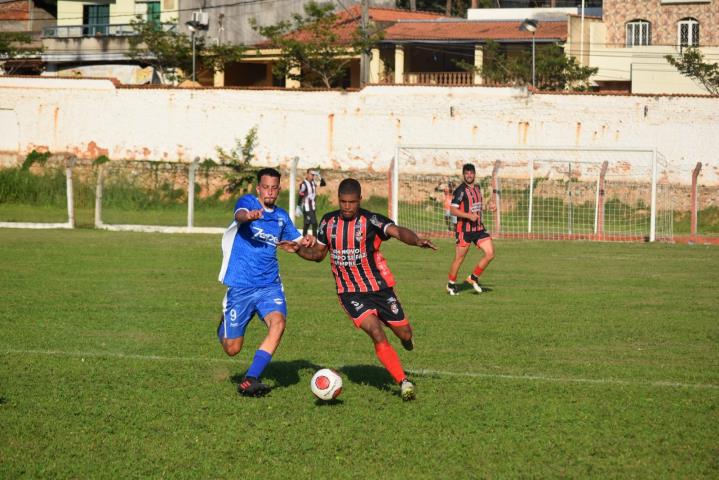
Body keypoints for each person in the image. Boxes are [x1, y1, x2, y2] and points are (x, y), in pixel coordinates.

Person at [283, 178, 436, 401]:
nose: (347, 207)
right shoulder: (328, 222)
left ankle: (405, 338)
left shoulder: (370, 220)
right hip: (350, 293)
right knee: (376, 331)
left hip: (379, 289)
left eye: (352, 202)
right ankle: (403, 382)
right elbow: (318, 254)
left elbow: (396, 231)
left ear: (359, 200)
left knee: (405, 333)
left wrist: (416, 240)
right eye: (343, 202)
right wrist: (297, 249)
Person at [217, 167, 313, 397]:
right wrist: (248, 216)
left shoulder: (281, 218)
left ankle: (250, 379)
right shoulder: (249, 202)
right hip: (241, 286)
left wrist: (306, 242)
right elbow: (239, 213)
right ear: (258, 188)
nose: (269, 192)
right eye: (265, 187)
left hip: (269, 285)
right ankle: (223, 325)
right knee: (232, 349)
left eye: (273, 188)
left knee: (278, 323)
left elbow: (298, 240)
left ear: (278, 190)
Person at [446, 163, 496, 296]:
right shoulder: (460, 190)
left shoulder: (478, 188)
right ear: (464, 175)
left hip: (479, 228)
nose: (469, 175)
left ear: (474, 174)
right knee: (459, 259)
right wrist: (468, 216)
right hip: (464, 230)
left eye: (471, 173)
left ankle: (473, 278)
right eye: (466, 173)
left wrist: (488, 207)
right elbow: (452, 210)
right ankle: (451, 284)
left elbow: (477, 207)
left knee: (490, 253)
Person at [298, 169, 320, 236]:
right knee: (314, 223)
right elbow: (301, 194)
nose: (312, 176)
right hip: (307, 207)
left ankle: (304, 237)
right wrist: (298, 206)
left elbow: (323, 184)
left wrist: (319, 176)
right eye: (311, 174)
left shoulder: (313, 182)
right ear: (307, 174)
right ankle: (315, 238)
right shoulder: (304, 184)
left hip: (312, 206)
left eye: (313, 174)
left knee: (307, 223)